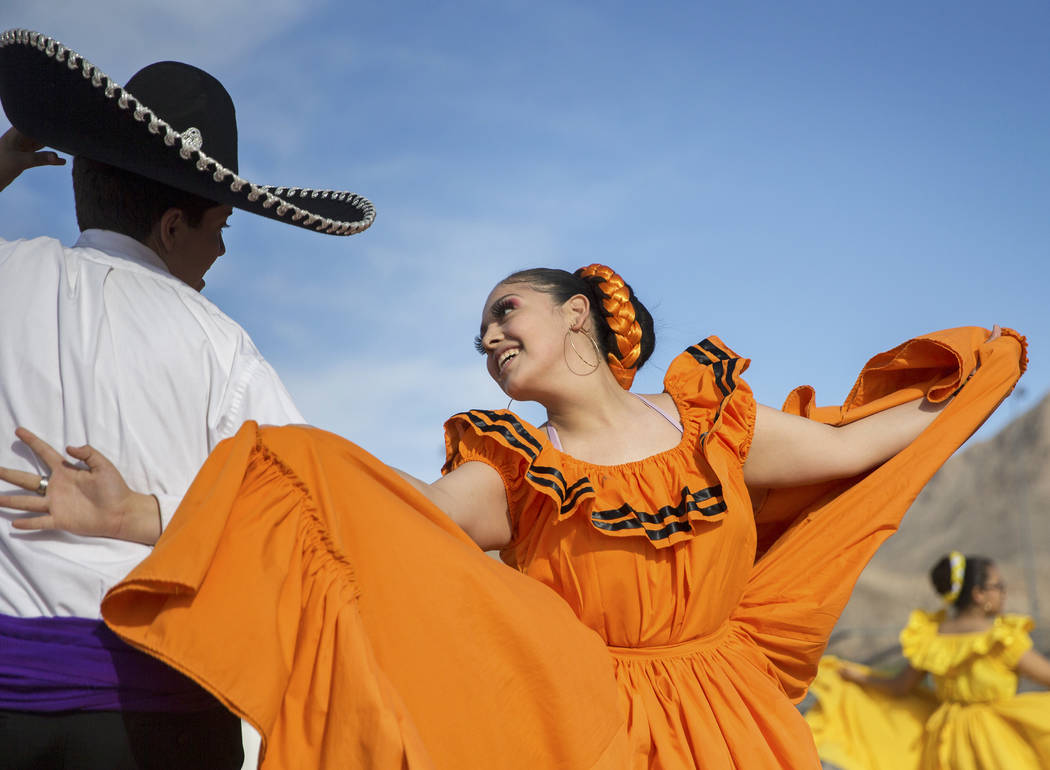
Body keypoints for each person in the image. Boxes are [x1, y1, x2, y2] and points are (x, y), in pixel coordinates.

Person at [5, 264, 1026, 769]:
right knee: (312, 461)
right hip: (586, 728)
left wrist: (971, 384)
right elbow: (355, 526)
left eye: (507, 312)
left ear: (577, 315)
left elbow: (852, 448)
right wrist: (142, 511)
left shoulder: (716, 424)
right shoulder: (513, 471)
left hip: (732, 716)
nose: (488, 335)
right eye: (482, 325)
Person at [0, 29, 374, 770]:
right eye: (220, 226)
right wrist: (151, 517)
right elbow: (305, 528)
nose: (224, 252)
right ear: (174, 225)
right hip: (156, 722)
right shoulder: (222, 346)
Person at [806, 553, 1050, 770]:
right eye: (999, 586)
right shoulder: (1001, 639)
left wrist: (856, 677)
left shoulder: (934, 637)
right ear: (978, 594)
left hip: (947, 739)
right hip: (996, 740)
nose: (1003, 592)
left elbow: (899, 686)